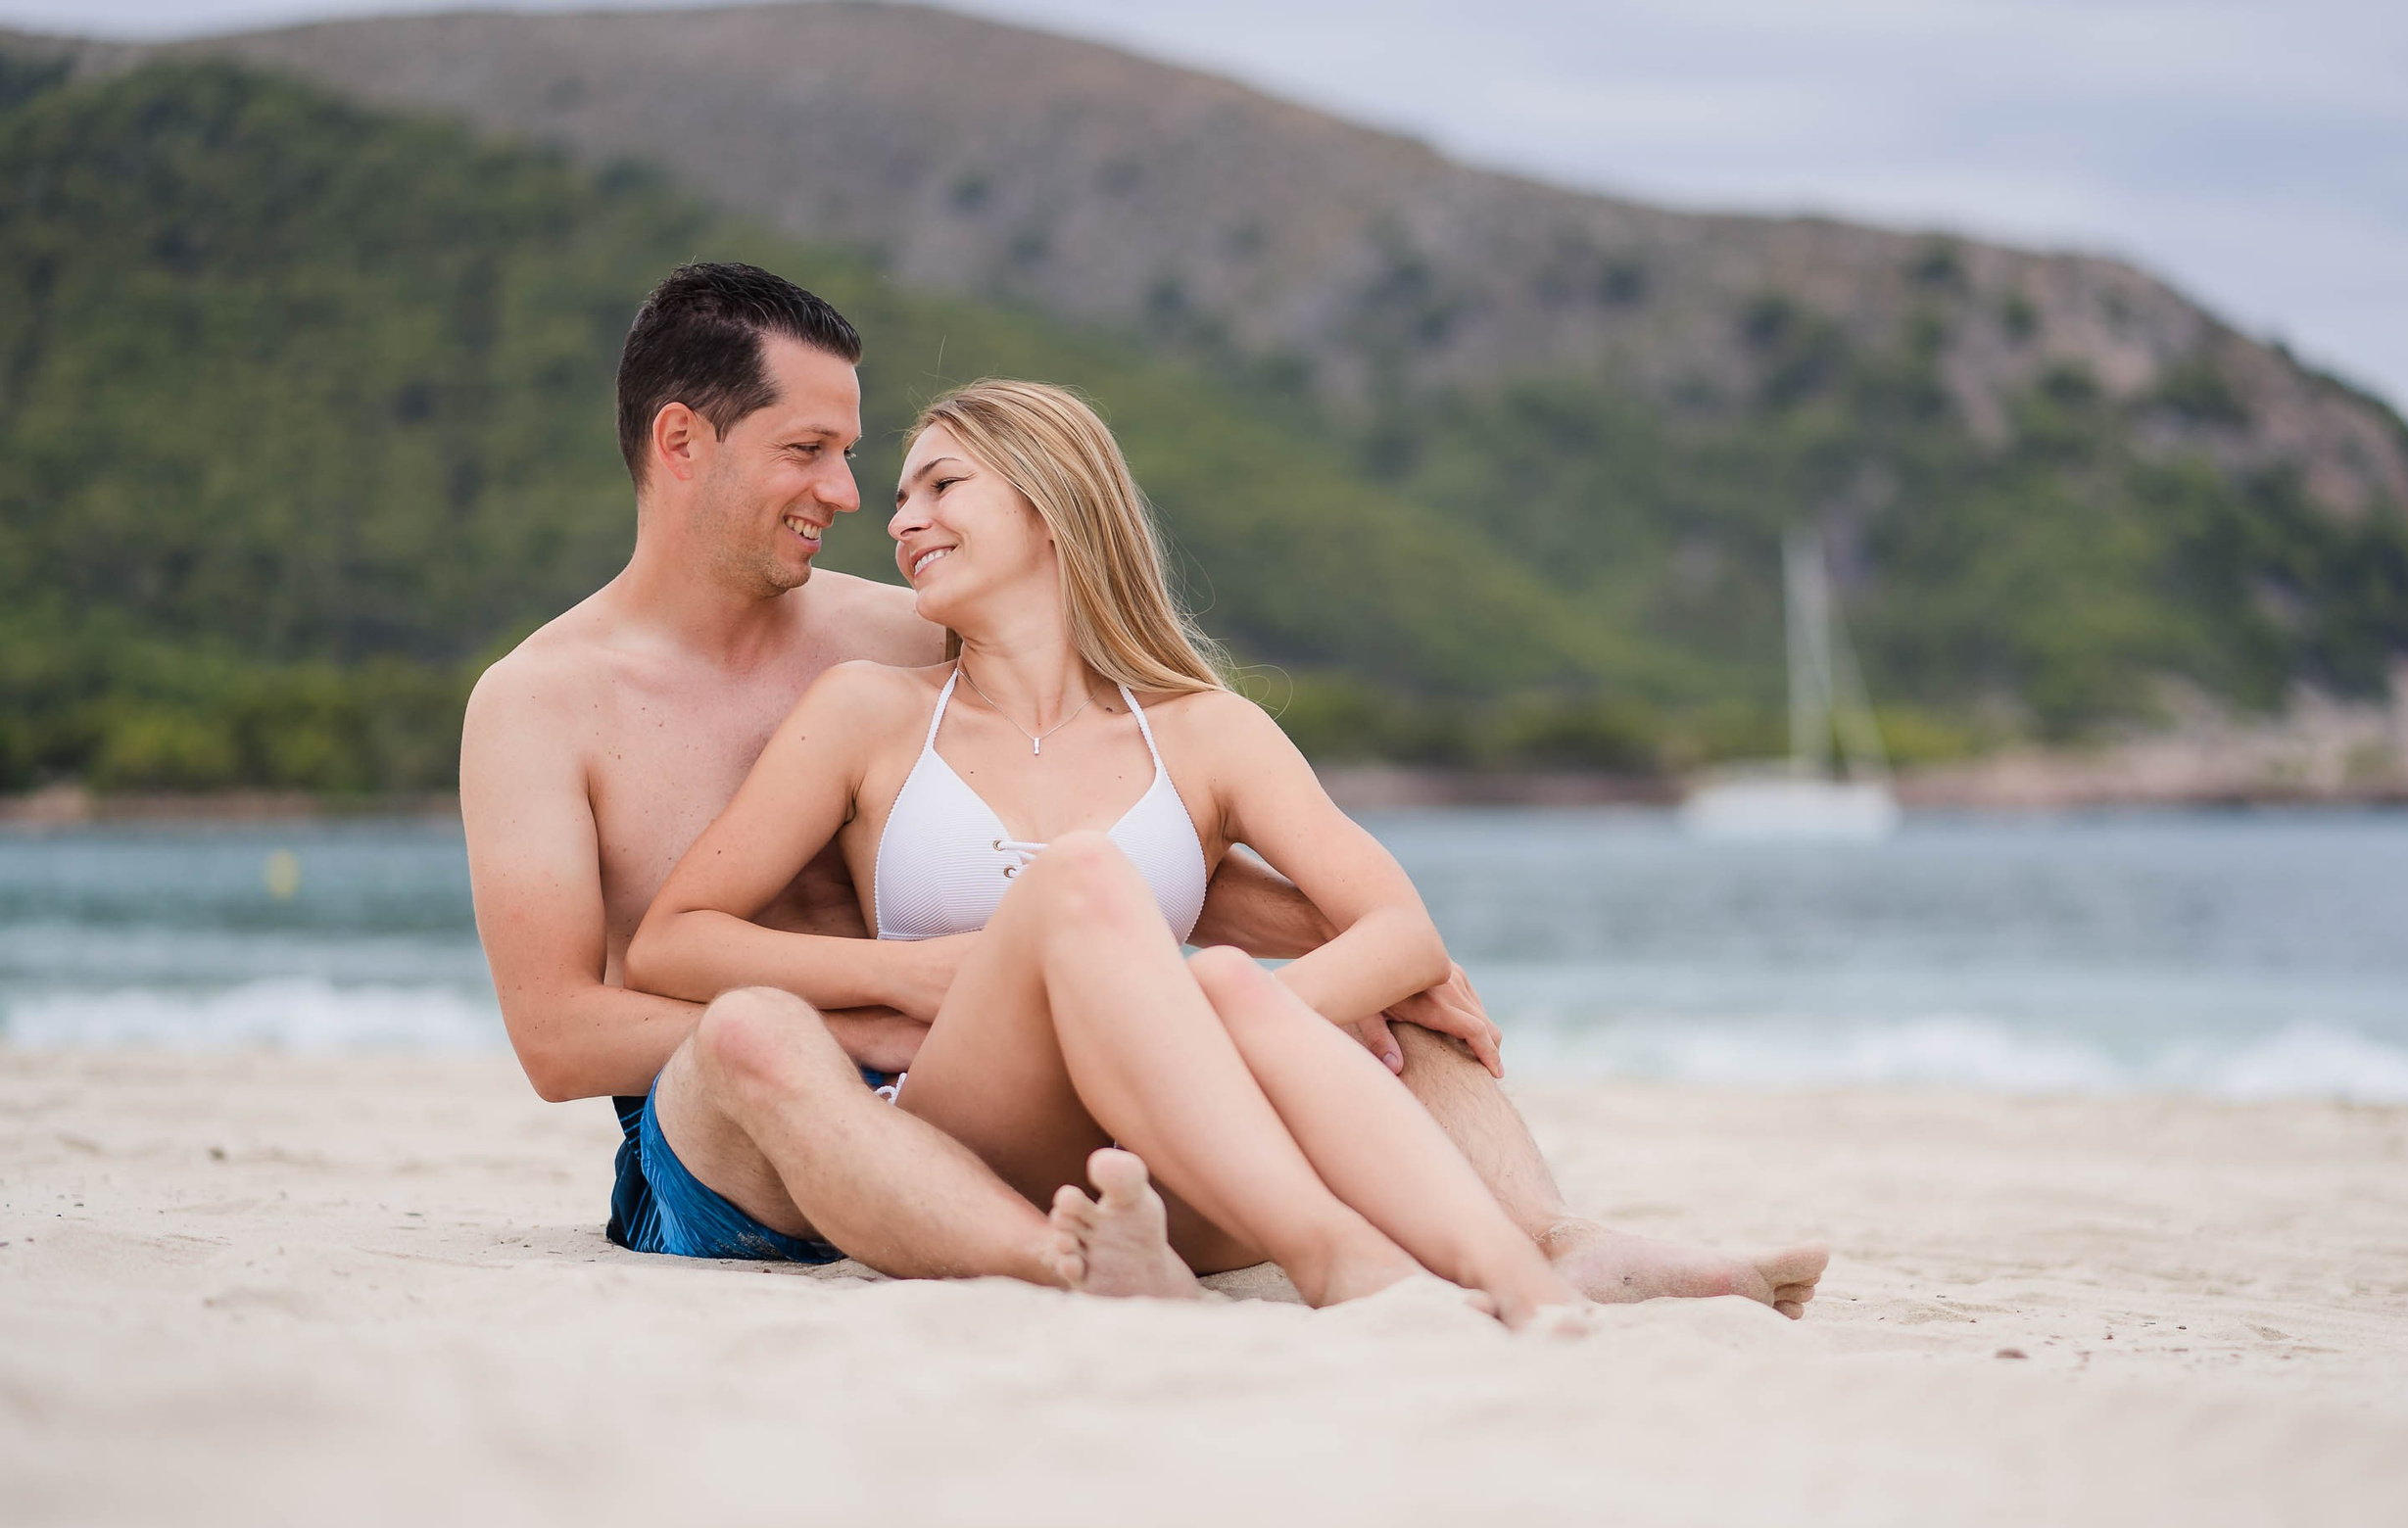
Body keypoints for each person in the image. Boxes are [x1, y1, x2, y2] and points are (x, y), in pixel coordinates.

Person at [458, 261, 1826, 1316]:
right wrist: (892, 997)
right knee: (759, 1032)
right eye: (810, 451)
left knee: (1399, 1004)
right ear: (686, 443)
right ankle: (1071, 1266)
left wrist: (1353, 952)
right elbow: (561, 1041)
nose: (858, 493)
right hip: (754, 1127)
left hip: (966, 1088)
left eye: (869, 456)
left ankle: (1557, 1243)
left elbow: (1072, 812)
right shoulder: (540, 703)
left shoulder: (894, 628)